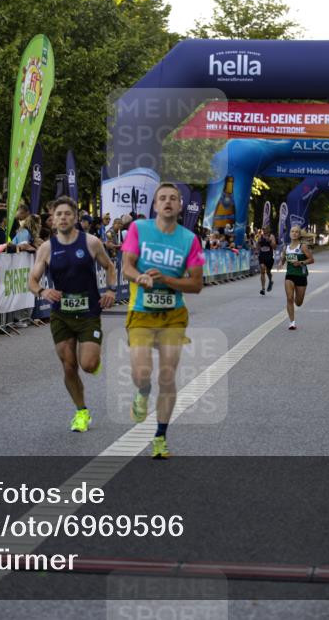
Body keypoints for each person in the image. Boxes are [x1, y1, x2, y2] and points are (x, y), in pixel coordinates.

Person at [121, 184, 205, 459]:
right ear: (155, 206)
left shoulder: (190, 240)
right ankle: (142, 392)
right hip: (142, 311)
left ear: (180, 206)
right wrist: (140, 278)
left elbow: (196, 285)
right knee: (141, 373)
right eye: (162, 198)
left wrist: (166, 280)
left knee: (167, 375)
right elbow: (127, 266)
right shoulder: (139, 229)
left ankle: (160, 437)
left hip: (173, 315)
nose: (168, 202)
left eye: (173, 199)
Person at [27, 196, 117, 433]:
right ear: (52, 220)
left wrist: (110, 289)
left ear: (76, 218)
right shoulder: (46, 248)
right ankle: (81, 412)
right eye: (59, 215)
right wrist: (43, 291)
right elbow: (32, 280)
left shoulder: (91, 242)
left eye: (68, 214)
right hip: (61, 315)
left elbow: (109, 267)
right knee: (69, 366)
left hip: (88, 312)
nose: (63, 218)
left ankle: (93, 360)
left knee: (87, 365)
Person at [280, 225, 315, 330]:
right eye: (292, 231)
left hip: (301, 276)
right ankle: (292, 322)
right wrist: (280, 262)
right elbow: (283, 259)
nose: (294, 233)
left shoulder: (302, 247)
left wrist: (300, 262)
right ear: (290, 234)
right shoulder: (286, 247)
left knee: (298, 302)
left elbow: (311, 260)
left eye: (296, 232)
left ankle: (297, 299)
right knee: (289, 298)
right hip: (290, 275)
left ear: (299, 234)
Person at [256, 227, 276, 295]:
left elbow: (274, 247)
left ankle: (270, 281)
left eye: (265, 229)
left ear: (268, 230)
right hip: (262, 256)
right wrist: (257, 247)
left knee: (268, 271)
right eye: (263, 229)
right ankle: (263, 288)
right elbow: (258, 246)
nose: (264, 231)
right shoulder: (260, 236)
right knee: (262, 269)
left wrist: (270, 241)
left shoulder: (271, 236)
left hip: (269, 256)